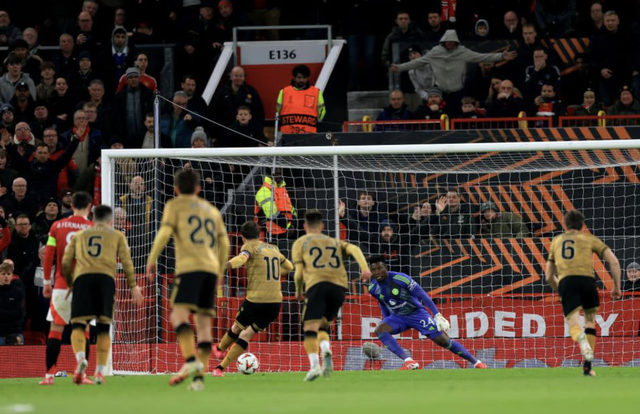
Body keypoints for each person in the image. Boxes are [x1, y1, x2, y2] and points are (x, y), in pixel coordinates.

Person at [147, 169, 229, 391]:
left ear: (175, 189)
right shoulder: (211, 210)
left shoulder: (174, 205)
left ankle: (191, 360)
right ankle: (199, 379)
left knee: (178, 316)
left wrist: (152, 259)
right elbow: (225, 243)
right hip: (211, 269)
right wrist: (220, 271)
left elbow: (164, 233)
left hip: (189, 267)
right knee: (204, 326)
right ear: (198, 188)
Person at [63, 204, 143, 385]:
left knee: (78, 324)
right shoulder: (117, 236)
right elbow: (127, 261)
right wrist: (133, 285)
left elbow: (66, 261)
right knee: (103, 327)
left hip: (83, 279)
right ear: (110, 220)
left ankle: (81, 359)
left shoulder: (80, 235)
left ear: (93, 219)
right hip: (106, 280)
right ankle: (100, 371)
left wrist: (70, 282)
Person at [367, 256, 486, 370]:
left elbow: (422, 295)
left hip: (417, 314)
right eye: (374, 269)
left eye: (379, 268)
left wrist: (437, 315)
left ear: (386, 267)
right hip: (398, 317)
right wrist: (386, 320)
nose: (377, 272)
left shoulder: (400, 278)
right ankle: (409, 362)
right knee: (380, 329)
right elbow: (383, 303)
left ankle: (476, 363)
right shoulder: (373, 288)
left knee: (443, 341)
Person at [292, 210, 370, 381]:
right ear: (322, 226)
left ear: (305, 226)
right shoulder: (334, 241)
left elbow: (298, 273)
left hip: (317, 284)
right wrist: (364, 268)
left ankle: (314, 366)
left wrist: (298, 291)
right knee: (323, 325)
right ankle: (326, 348)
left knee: (309, 328)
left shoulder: (300, 243)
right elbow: (355, 249)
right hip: (340, 287)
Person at [545, 210, 622, 377]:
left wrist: (561, 290)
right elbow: (614, 261)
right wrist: (616, 287)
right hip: (587, 281)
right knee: (590, 321)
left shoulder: (557, 241)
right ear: (582, 225)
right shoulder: (589, 239)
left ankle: (580, 338)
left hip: (566, 281)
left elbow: (549, 275)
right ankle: (588, 365)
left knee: (574, 323)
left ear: (565, 225)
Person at [212, 221, 294, 376]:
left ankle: (219, 349)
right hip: (275, 303)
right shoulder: (274, 248)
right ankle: (219, 368)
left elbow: (242, 259)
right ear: (259, 235)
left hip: (256, 300)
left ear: (243, 238)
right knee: (246, 335)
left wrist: (225, 265)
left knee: (237, 328)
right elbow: (289, 267)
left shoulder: (248, 247)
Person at [38, 191, 94, 385]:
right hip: (85, 286)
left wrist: (47, 282)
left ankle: (49, 376)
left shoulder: (57, 226)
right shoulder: (93, 228)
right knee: (83, 329)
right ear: (89, 207)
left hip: (62, 284)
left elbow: (48, 255)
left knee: (56, 329)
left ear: (71, 206)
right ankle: (82, 372)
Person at [391, 30, 516, 115]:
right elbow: (419, 62)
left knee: (457, 116)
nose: (450, 43)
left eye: (452, 41)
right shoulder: (436, 51)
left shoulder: (462, 51)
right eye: (448, 41)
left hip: (458, 92)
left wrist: (501, 56)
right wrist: (401, 67)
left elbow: (481, 57)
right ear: (444, 41)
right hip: (441, 92)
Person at [276, 65, 325, 134]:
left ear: (307, 78)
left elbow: (322, 110)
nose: (301, 80)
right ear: (294, 78)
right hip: (287, 133)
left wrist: (317, 122)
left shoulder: (316, 92)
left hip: (309, 132)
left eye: (304, 78)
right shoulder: (284, 91)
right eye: (299, 77)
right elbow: (278, 110)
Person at [255, 168, 297, 239]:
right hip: (272, 233)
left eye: (280, 173)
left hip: (287, 231)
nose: (280, 176)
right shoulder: (264, 191)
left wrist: (293, 224)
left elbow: (291, 209)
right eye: (277, 174)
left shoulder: (282, 189)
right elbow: (271, 213)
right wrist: (288, 226)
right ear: (270, 175)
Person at [0, 262, 25, 346]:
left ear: (12, 276)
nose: (6, 276)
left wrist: (3, 313)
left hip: (15, 331)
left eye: (8, 274)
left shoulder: (18, 292)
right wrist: (10, 313)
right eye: (3, 274)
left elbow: (20, 313)